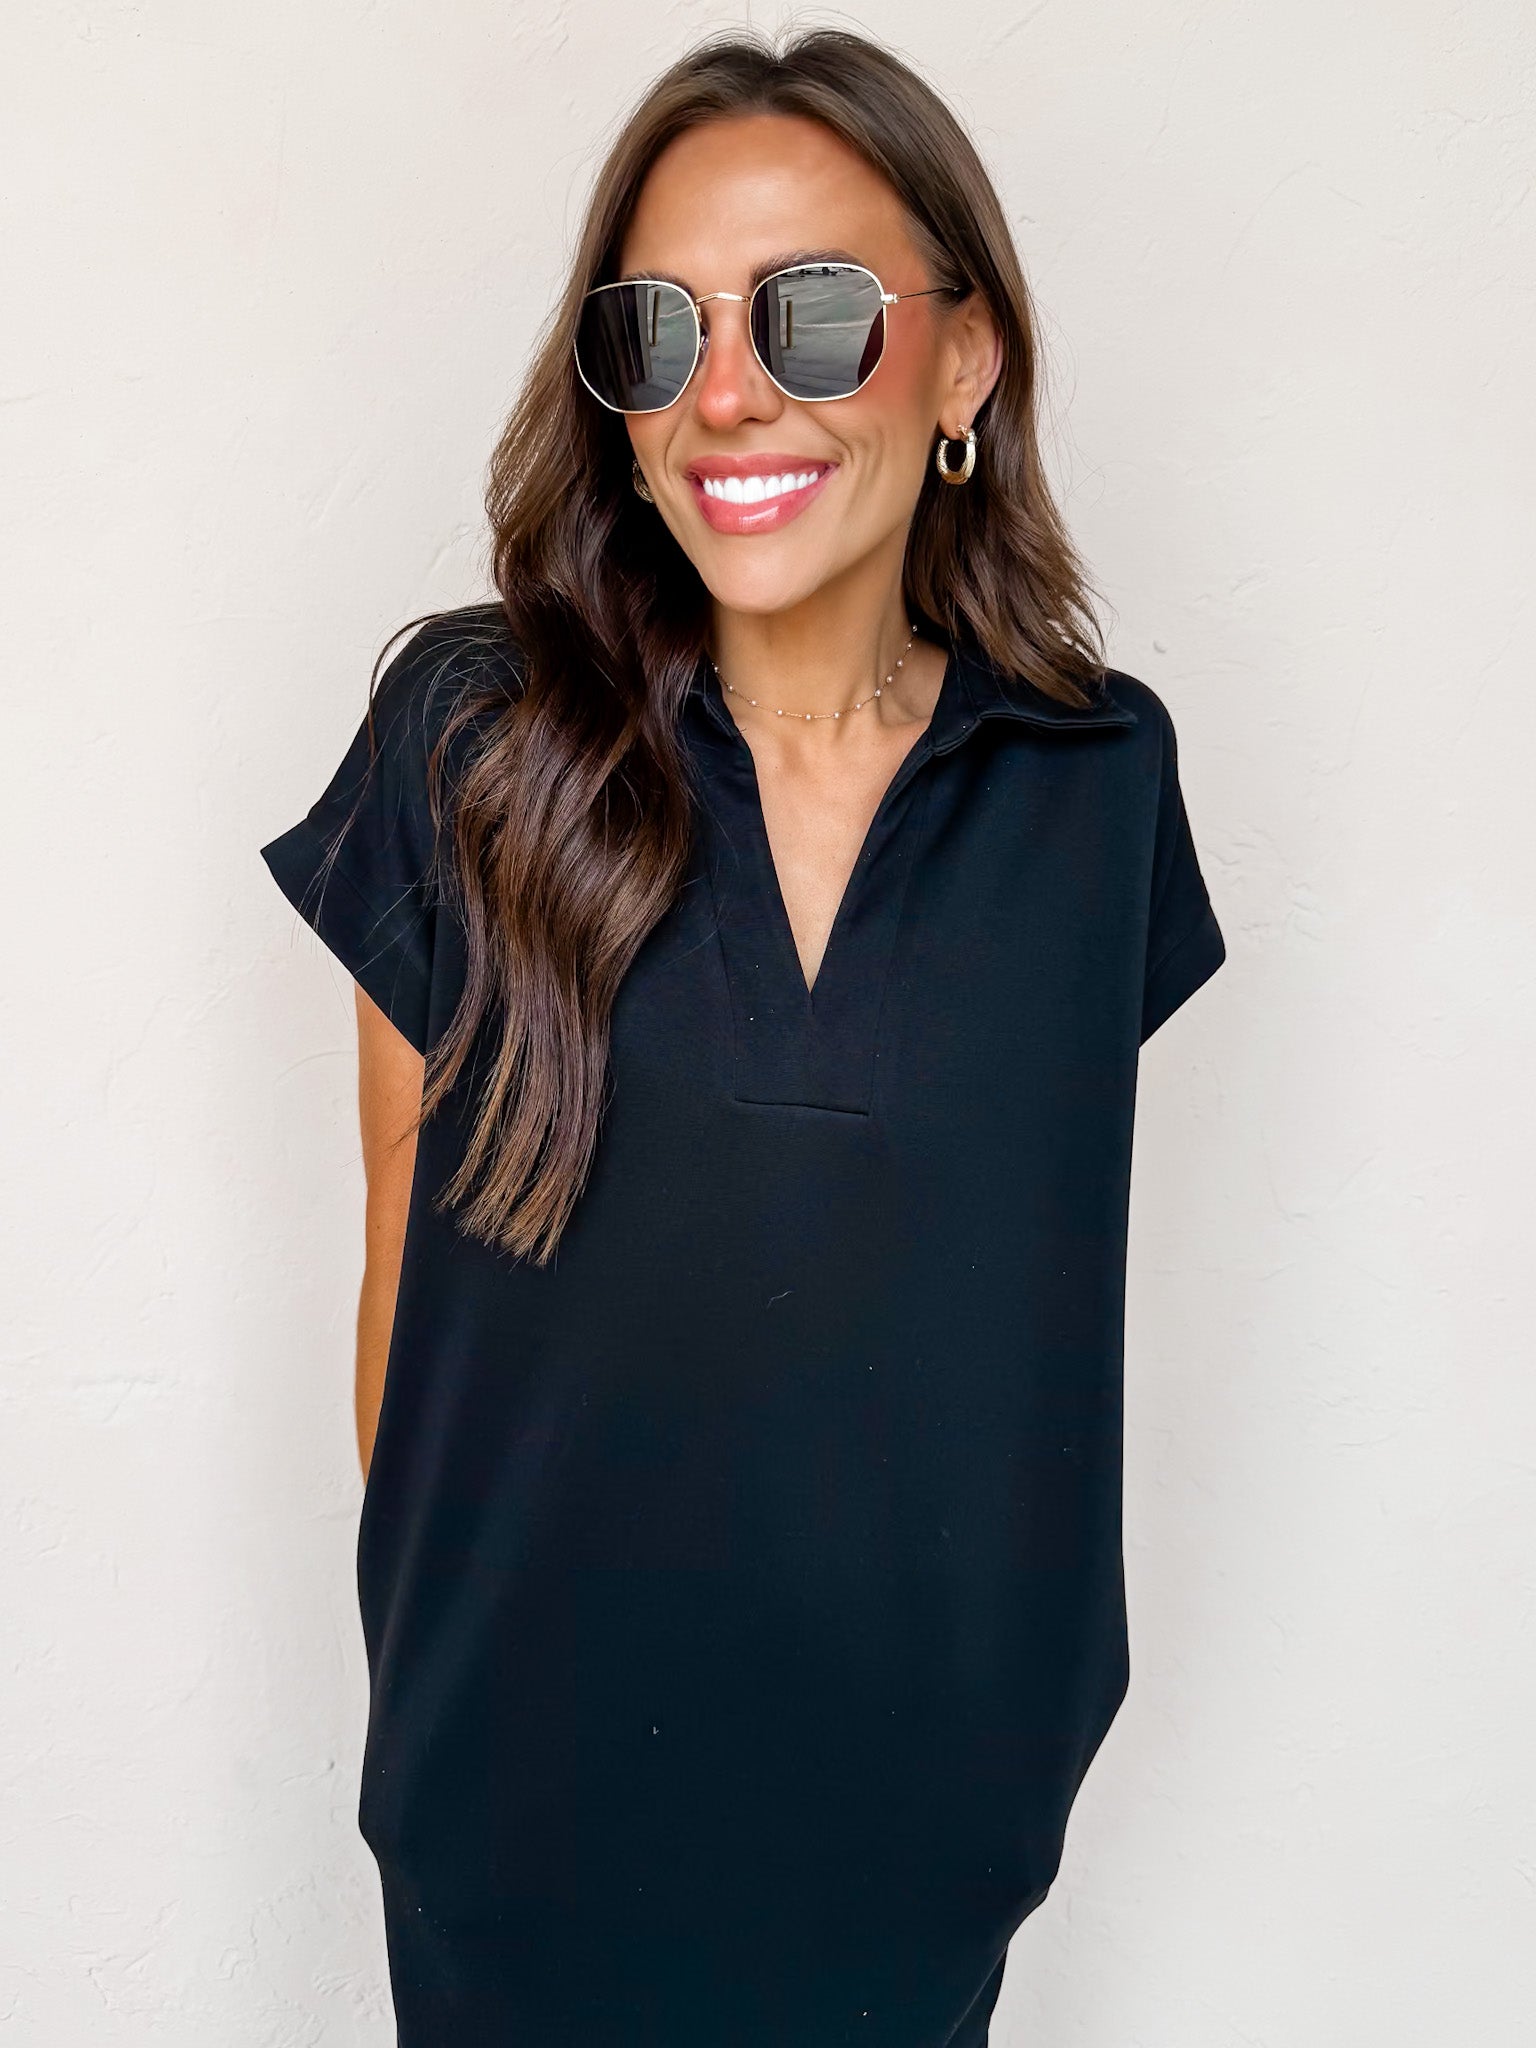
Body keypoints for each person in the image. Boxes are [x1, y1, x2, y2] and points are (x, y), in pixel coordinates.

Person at [259, 26, 1227, 2046]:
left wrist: (1016, 1757)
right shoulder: (470, 751)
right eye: (658, 328)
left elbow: (1010, 1325)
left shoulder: (1095, 790)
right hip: (524, 1852)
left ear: (964, 361)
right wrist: (452, 1743)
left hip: (918, 1864)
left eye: (815, 312)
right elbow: (403, 1326)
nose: (728, 392)